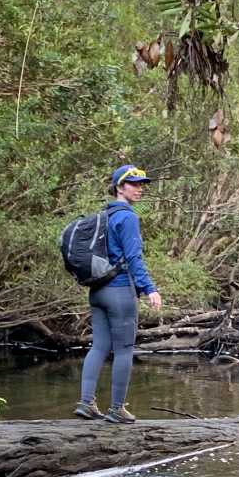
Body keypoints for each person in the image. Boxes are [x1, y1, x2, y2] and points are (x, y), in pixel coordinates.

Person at [75, 164, 163, 424]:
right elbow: (134, 257)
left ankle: (86, 403)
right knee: (124, 350)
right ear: (119, 187)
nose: (139, 189)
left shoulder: (105, 215)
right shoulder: (127, 217)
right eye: (134, 184)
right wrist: (149, 289)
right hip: (119, 291)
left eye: (141, 184)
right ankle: (116, 409)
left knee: (99, 346)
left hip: (98, 291)